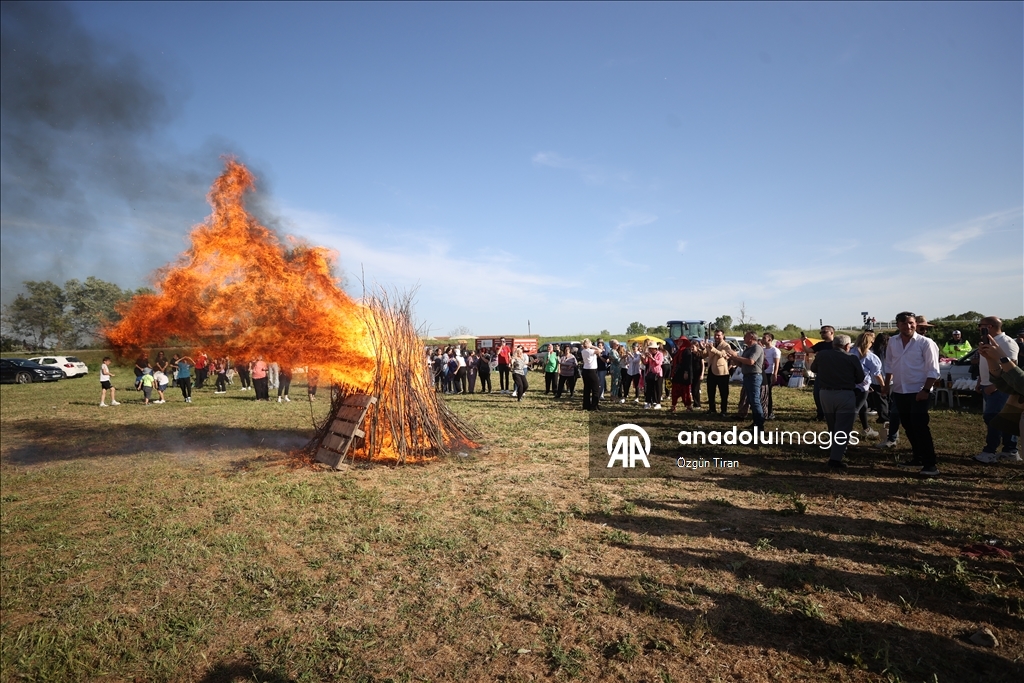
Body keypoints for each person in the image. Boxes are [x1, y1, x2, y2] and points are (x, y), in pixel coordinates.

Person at [881, 312, 940, 476]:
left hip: (919, 391)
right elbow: (889, 365)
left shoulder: (926, 343)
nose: (908, 326)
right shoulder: (893, 341)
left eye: (911, 323)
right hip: (900, 390)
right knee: (908, 425)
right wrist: (886, 385)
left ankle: (930, 464)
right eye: (904, 323)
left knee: (920, 426)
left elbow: (933, 370)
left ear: (916, 324)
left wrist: (925, 390)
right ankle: (918, 457)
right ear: (898, 325)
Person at [810, 334, 865, 469]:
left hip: (825, 393)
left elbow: (813, 369)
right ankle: (835, 458)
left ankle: (834, 447)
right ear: (847, 346)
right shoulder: (851, 358)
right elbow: (860, 378)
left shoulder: (822, 355)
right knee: (843, 427)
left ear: (833, 344)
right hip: (845, 393)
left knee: (832, 424)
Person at [974, 316, 1020, 463]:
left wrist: (995, 386)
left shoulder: (1006, 342)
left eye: (980, 325)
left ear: (989, 327)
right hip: (988, 384)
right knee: (1003, 419)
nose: (979, 328)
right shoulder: (988, 341)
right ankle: (1010, 450)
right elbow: (985, 364)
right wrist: (981, 381)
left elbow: (1012, 366)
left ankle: (990, 452)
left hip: (1000, 388)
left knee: (994, 418)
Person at [976, 339, 1024, 451]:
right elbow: (1008, 385)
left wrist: (1001, 358)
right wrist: (991, 359)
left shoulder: (1008, 342)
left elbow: (1021, 384)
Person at [729, 331, 765, 429]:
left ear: (751, 337)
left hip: (754, 376)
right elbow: (741, 364)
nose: (744, 337)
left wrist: (737, 356)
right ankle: (756, 422)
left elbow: (751, 361)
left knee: (755, 400)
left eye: (746, 336)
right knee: (751, 400)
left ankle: (759, 424)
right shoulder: (747, 349)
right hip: (747, 376)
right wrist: (733, 358)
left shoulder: (757, 348)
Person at [850, 331, 883, 439]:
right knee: (856, 408)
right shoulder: (870, 356)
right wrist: (883, 385)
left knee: (863, 406)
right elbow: (877, 374)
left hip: (850, 384)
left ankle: (866, 428)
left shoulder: (850, 352)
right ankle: (846, 432)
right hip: (862, 386)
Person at [697, 330, 732, 415]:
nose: (716, 337)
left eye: (718, 335)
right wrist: (703, 348)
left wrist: (712, 348)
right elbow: (704, 355)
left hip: (722, 372)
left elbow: (722, 354)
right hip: (711, 370)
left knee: (723, 393)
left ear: (723, 336)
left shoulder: (726, 345)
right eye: (715, 335)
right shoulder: (712, 344)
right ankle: (712, 409)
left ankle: (724, 410)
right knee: (710, 391)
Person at [809, 326, 836, 420]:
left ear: (832, 332)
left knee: (832, 395)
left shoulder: (837, 344)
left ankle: (831, 414)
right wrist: (803, 341)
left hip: (834, 374)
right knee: (817, 394)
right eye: (821, 332)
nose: (822, 334)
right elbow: (808, 350)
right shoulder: (820, 345)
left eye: (824, 332)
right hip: (821, 373)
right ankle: (820, 414)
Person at [670, 337, 693, 412]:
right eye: (678, 342)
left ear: (684, 343)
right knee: (675, 390)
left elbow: (688, 364)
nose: (679, 343)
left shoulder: (687, 351)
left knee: (685, 391)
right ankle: (673, 405)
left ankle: (688, 406)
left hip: (684, 373)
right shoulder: (678, 351)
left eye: (681, 342)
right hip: (677, 373)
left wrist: (686, 372)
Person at [761, 333, 779, 420]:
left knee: (768, 393)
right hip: (762, 373)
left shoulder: (775, 350)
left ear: (770, 339)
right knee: (762, 393)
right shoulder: (762, 349)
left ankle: (770, 412)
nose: (762, 339)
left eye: (764, 338)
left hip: (769, 373)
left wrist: (774, 374)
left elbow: (777, 363)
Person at [580, 339, 601, 411]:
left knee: (587, 389)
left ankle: (586, 405)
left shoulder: (583, 351)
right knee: (596, 389)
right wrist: (592, 346)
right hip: (591, 370)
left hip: (585, 370)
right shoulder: (590, 351)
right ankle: (594, 406)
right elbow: (600, 350)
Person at [642, 341, 664, 409]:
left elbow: (659, 363)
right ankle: (648, 402)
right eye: (650, 348)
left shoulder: (660, 354)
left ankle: (658, 403)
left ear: (655, 348)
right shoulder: (649, 354)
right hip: (650, 373)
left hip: (658, 374)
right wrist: (644, 357)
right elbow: (646, 363)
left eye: (652, 348)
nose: (650, 350)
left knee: (658, 389)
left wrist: (652, 358)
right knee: (649, 388)